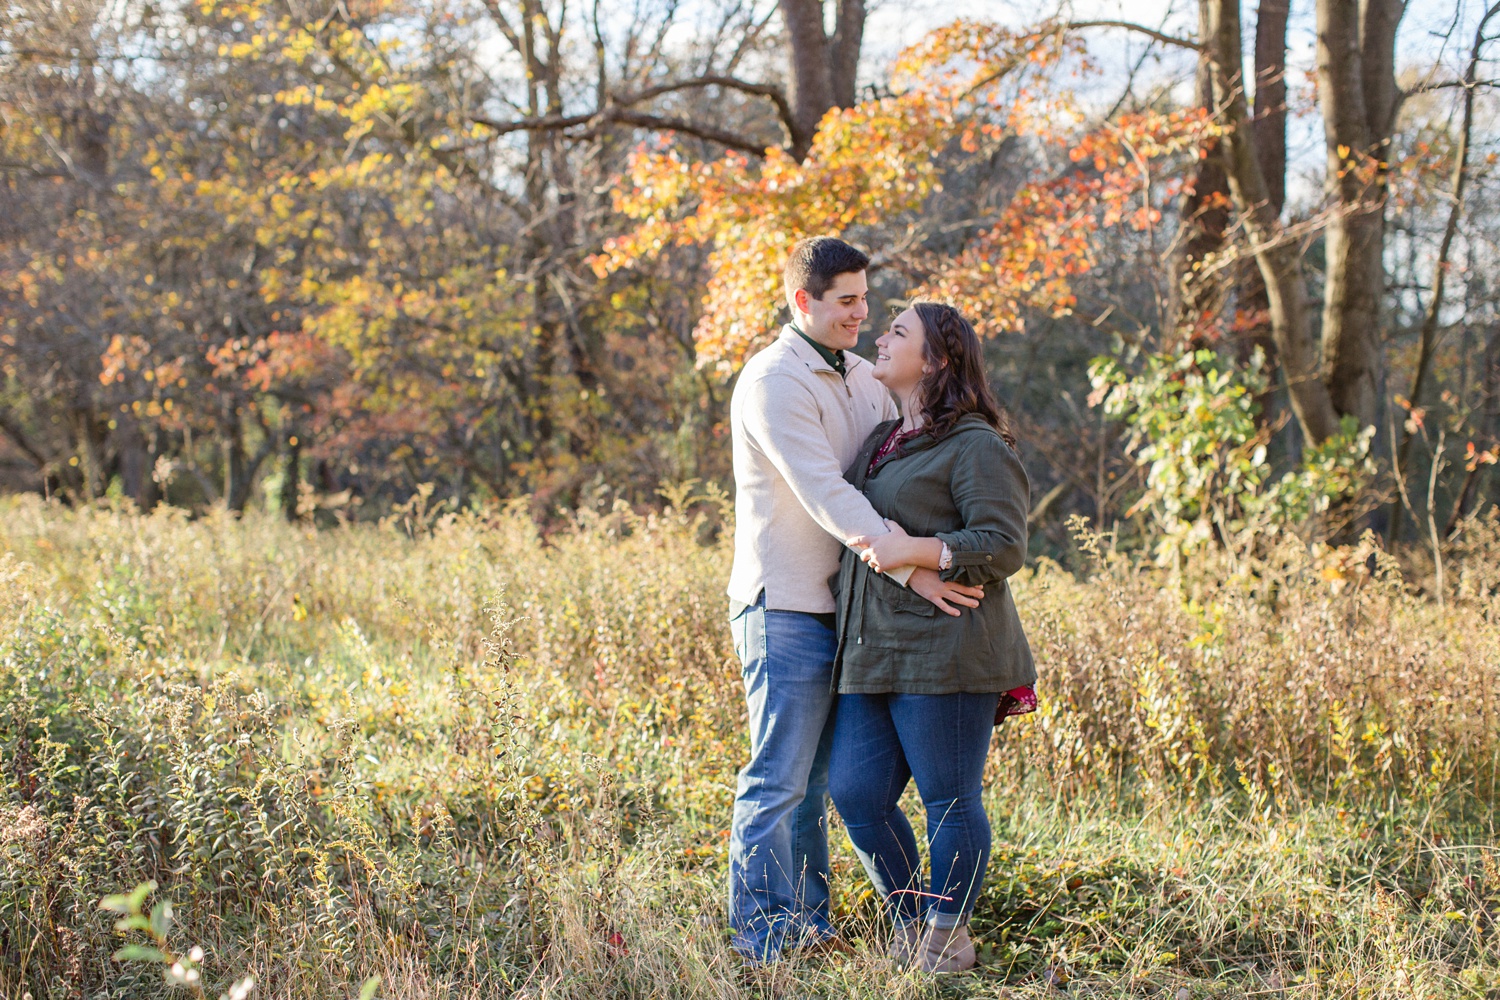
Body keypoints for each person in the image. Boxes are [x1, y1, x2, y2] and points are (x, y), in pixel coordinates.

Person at [727, 239, 987, 965]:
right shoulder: (775, 382)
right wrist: (917, 569)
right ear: (803, 302)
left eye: (867, 300)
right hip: (784, 606)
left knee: (816, 787)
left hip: (847, 613)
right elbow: (829, 495)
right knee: (779, 780)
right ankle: (760, 932)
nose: (861, 314)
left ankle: (809, 922)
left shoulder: (860, 377)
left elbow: (905, 444)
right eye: (846, 301)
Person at [829, 301, 1036, 973]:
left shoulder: (974, 443)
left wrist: (915, 550)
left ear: (937, 359)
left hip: (948, 647)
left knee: (949, 799)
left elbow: (1003, 543)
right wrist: (901, 562)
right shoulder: (882, 444)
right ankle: (912, 916)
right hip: (872, 647)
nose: (881, 338)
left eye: (898, 331)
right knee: (857, 794)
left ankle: (947, 935)